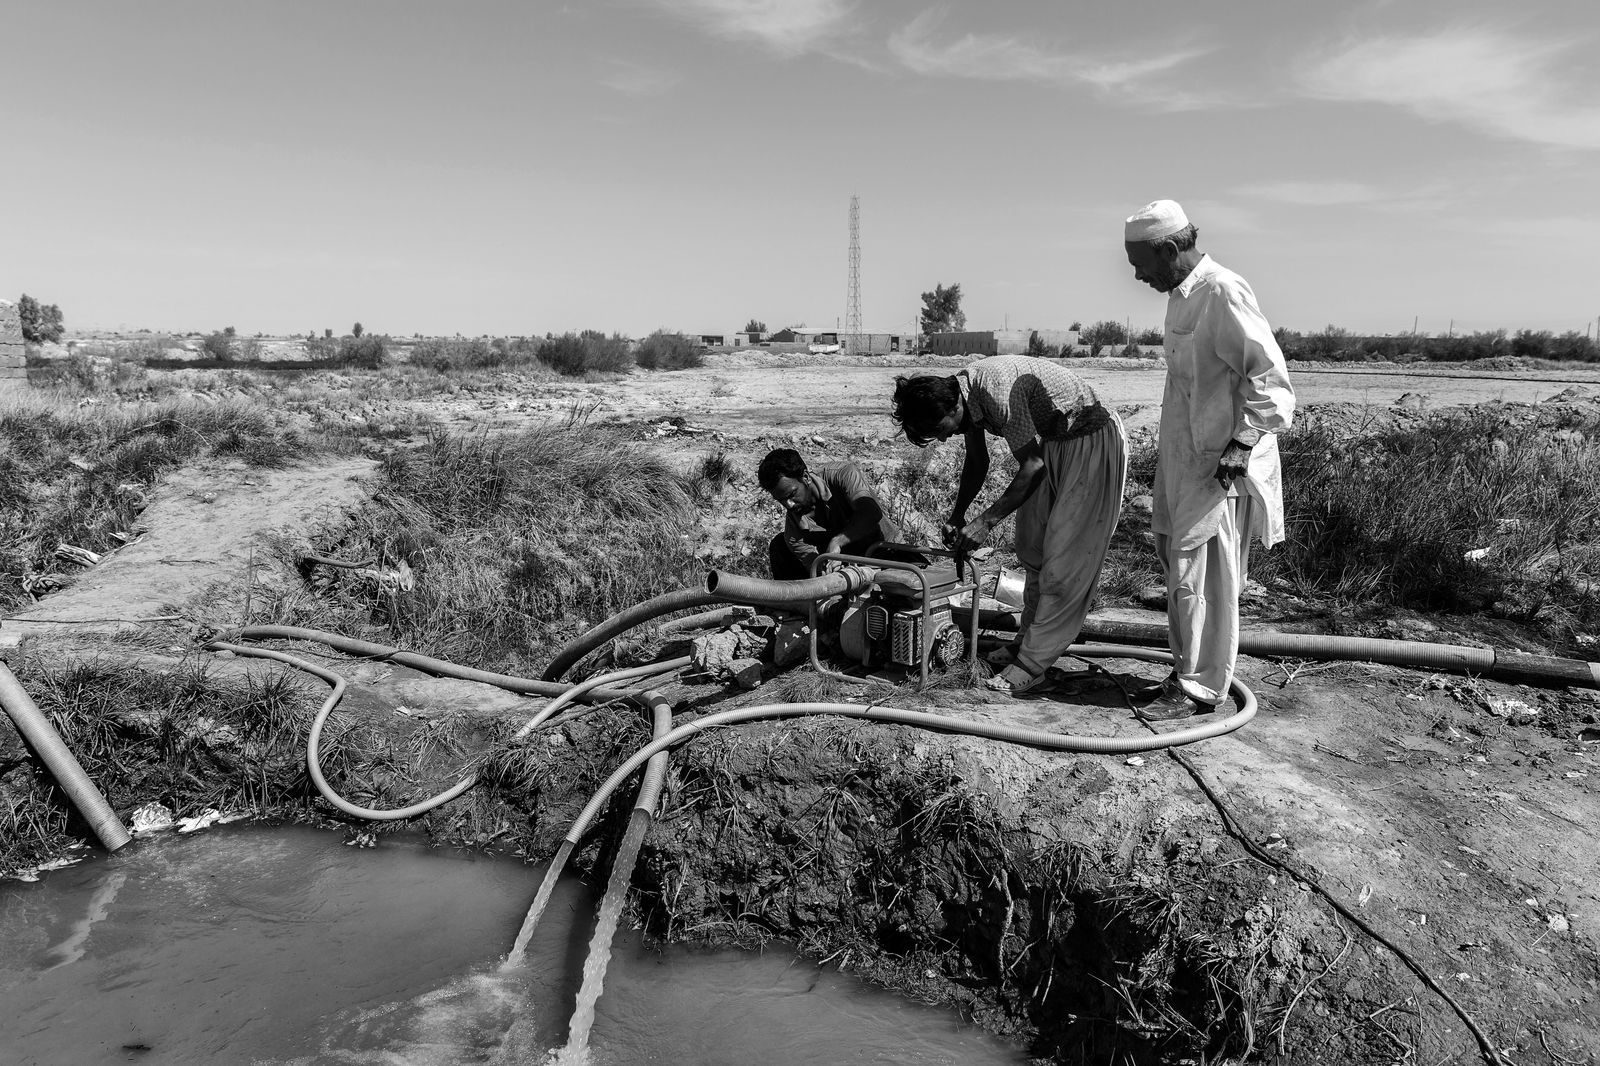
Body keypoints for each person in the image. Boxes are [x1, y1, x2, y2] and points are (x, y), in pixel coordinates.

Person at [1123, 199, 1296, 720]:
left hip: (1220, 463)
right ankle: (1185, 670)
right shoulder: (1180, 297)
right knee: (1179, 566)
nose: (1136, 276)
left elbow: (1271, 382)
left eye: (1141, 264)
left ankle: (1202, 687)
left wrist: (1241, 445)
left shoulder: (1222, 290)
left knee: (1207, 574)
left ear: (1171, 248)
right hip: (1185, 457)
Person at [890, 355, 1127, 695]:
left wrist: (986, 522)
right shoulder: (964, 393)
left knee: (1065, 562)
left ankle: (1033, 664)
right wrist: (959, 516)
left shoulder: (994, 391)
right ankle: (1027, 642)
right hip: (1055, 444)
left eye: (941, 431)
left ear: (953, 408)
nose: (944, 440)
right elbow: (977, 460)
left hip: (1090, 441)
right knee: (1033, 549)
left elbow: (1032, 466)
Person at [757, 448, 906, 580]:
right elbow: (816, 571)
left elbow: (871, 512)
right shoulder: (793, 532)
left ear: (806, 478)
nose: (788, 504)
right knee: (779, 547)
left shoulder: (842, 474)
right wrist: (828, 571)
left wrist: (837, 542)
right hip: (851, 569)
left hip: (887, 552)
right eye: (781, 500)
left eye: (792, 494)